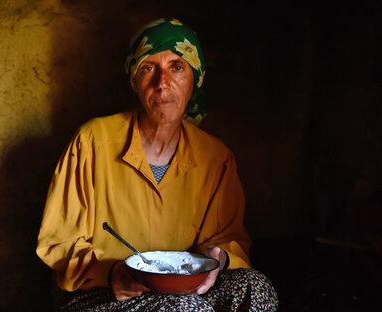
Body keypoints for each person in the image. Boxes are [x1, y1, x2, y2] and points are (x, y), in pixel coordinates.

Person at [36, 18, 278, 311]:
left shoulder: (215, 157)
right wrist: (111, 273)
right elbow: (58, 241)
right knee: (187, 310)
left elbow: (229, 238)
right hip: (100, 293)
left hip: (183, 293)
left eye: (177, 67)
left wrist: (220, 257)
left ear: (195, 78)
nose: (162, 83)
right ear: (134, 81)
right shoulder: (92, 142)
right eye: (149, 68)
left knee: (255, 288)